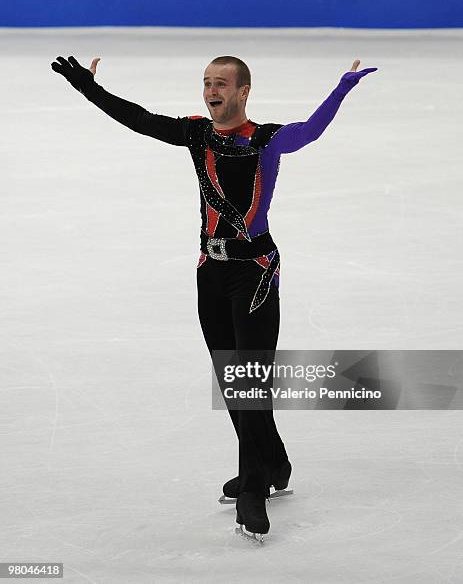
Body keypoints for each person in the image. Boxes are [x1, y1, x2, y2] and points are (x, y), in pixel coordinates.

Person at [51, 53, 377, 542]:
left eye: (221, 83)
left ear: (243, 91)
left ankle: (253, 488)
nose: (211, 90)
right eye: (206, 82)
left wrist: (342, 88)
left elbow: (309, 131)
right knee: (231, 379)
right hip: (210, 270)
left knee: (250, 380)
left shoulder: (265, 139)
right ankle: (274, 462)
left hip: (256, 271)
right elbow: (138, 118)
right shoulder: (196, 134)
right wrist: (88, 88)